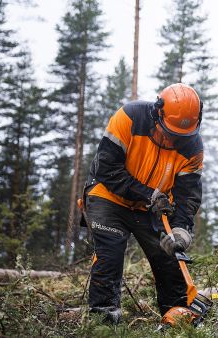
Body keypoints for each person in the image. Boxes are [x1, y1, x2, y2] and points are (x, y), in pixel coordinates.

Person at [80, 83, 204, 324]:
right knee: (111, 253)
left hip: (148, 207)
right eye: (170, 132)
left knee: (168, 254)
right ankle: (104, 319)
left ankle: (176, 315)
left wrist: (181, 229)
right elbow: (106, 168)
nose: (173, 139)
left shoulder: (193, 148)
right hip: (108, 196)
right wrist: (149, 194)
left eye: (181, 136)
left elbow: (187, 195)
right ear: (158, 113)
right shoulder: (128, 118)